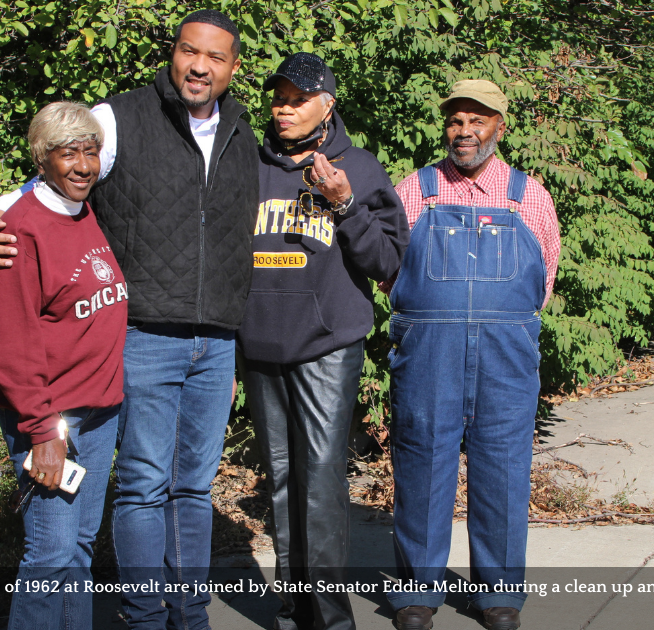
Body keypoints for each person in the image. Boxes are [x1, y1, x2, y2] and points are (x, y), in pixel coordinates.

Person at [0, 10, 258, 630]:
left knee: (192, 488)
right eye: (188, 51)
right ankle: (146, 616)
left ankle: (189, 616)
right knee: (144, 487)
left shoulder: (242, 134)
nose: (199, 66)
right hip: (146, 335)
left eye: (214, 57)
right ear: (173, 53)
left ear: (234, 68)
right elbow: (52, 174)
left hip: (215, 344)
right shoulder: (119, 118)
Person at [239, 53, 409, 630]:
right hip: (260, 344)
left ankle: (333, 620)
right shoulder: (245, 164)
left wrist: (344, 203)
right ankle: (296, 612)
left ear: (327, 105)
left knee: (320, 481)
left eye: (298, 99)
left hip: (327, 344)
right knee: (281, 483)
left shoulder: (359, 167)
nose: (284, 109)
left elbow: (387, 262)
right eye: (278, 98)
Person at [384, 80, 561, 630]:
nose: (465, 131)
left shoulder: (530, 197)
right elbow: (389, 272)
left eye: (477, 120)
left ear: (499, 127)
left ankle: (499, 596)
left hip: (506, 355)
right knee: (421, 464)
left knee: (504, 468)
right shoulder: (414, 190)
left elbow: (544, 280)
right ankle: (417, 594)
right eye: (456, 120)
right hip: (427, 354)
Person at [0, 101, 127, 629]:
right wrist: (43, 431)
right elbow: (13, 344)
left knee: (80, 546)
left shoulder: (85, 209)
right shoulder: (20, 231)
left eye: (91, 152)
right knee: (50, 552)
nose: (84, 166)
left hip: (99, 412)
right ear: (41, 159)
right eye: (69, 154)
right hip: (51, 416)